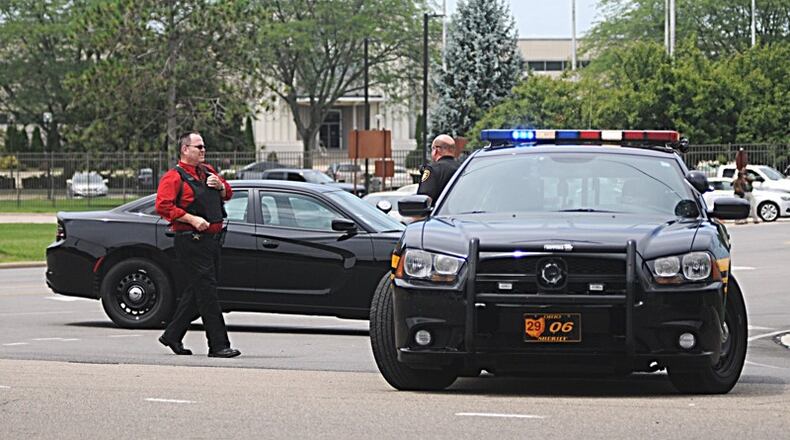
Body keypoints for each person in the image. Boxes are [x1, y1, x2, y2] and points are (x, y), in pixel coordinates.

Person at [155, 131, 241, 358]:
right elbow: (163, 206)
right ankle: (218, 345)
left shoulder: (208, 172)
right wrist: (191, 219)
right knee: (207, 293)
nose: (203, 151)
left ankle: (172, 335)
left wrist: (220, 186)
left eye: (203, 147)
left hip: (212, 241)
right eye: (198, 147)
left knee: (198, 290)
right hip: (191, 241)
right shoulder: (174, 177)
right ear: (185, 150)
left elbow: (228, 193)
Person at [417, 134, 461, 206]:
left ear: (436, 150)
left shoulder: (432, 169)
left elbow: (424, 199)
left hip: (438, 215)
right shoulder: (462, 168)